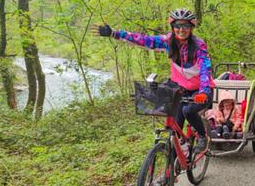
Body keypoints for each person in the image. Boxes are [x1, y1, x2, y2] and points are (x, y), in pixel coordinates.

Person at [92, 8, 215, 153]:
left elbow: (205, 69)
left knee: (188, 111)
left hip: (200, 91)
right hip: (179, 88)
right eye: (177, 26)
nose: (181, 29)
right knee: (174, 126)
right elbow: (143, 39)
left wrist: (204, 91)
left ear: (191, 27)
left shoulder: (198, 45)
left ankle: (202, 136)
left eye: (186, 26)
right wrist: (114, 33)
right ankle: (172, 168)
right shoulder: (168, 42)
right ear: (173, 27)